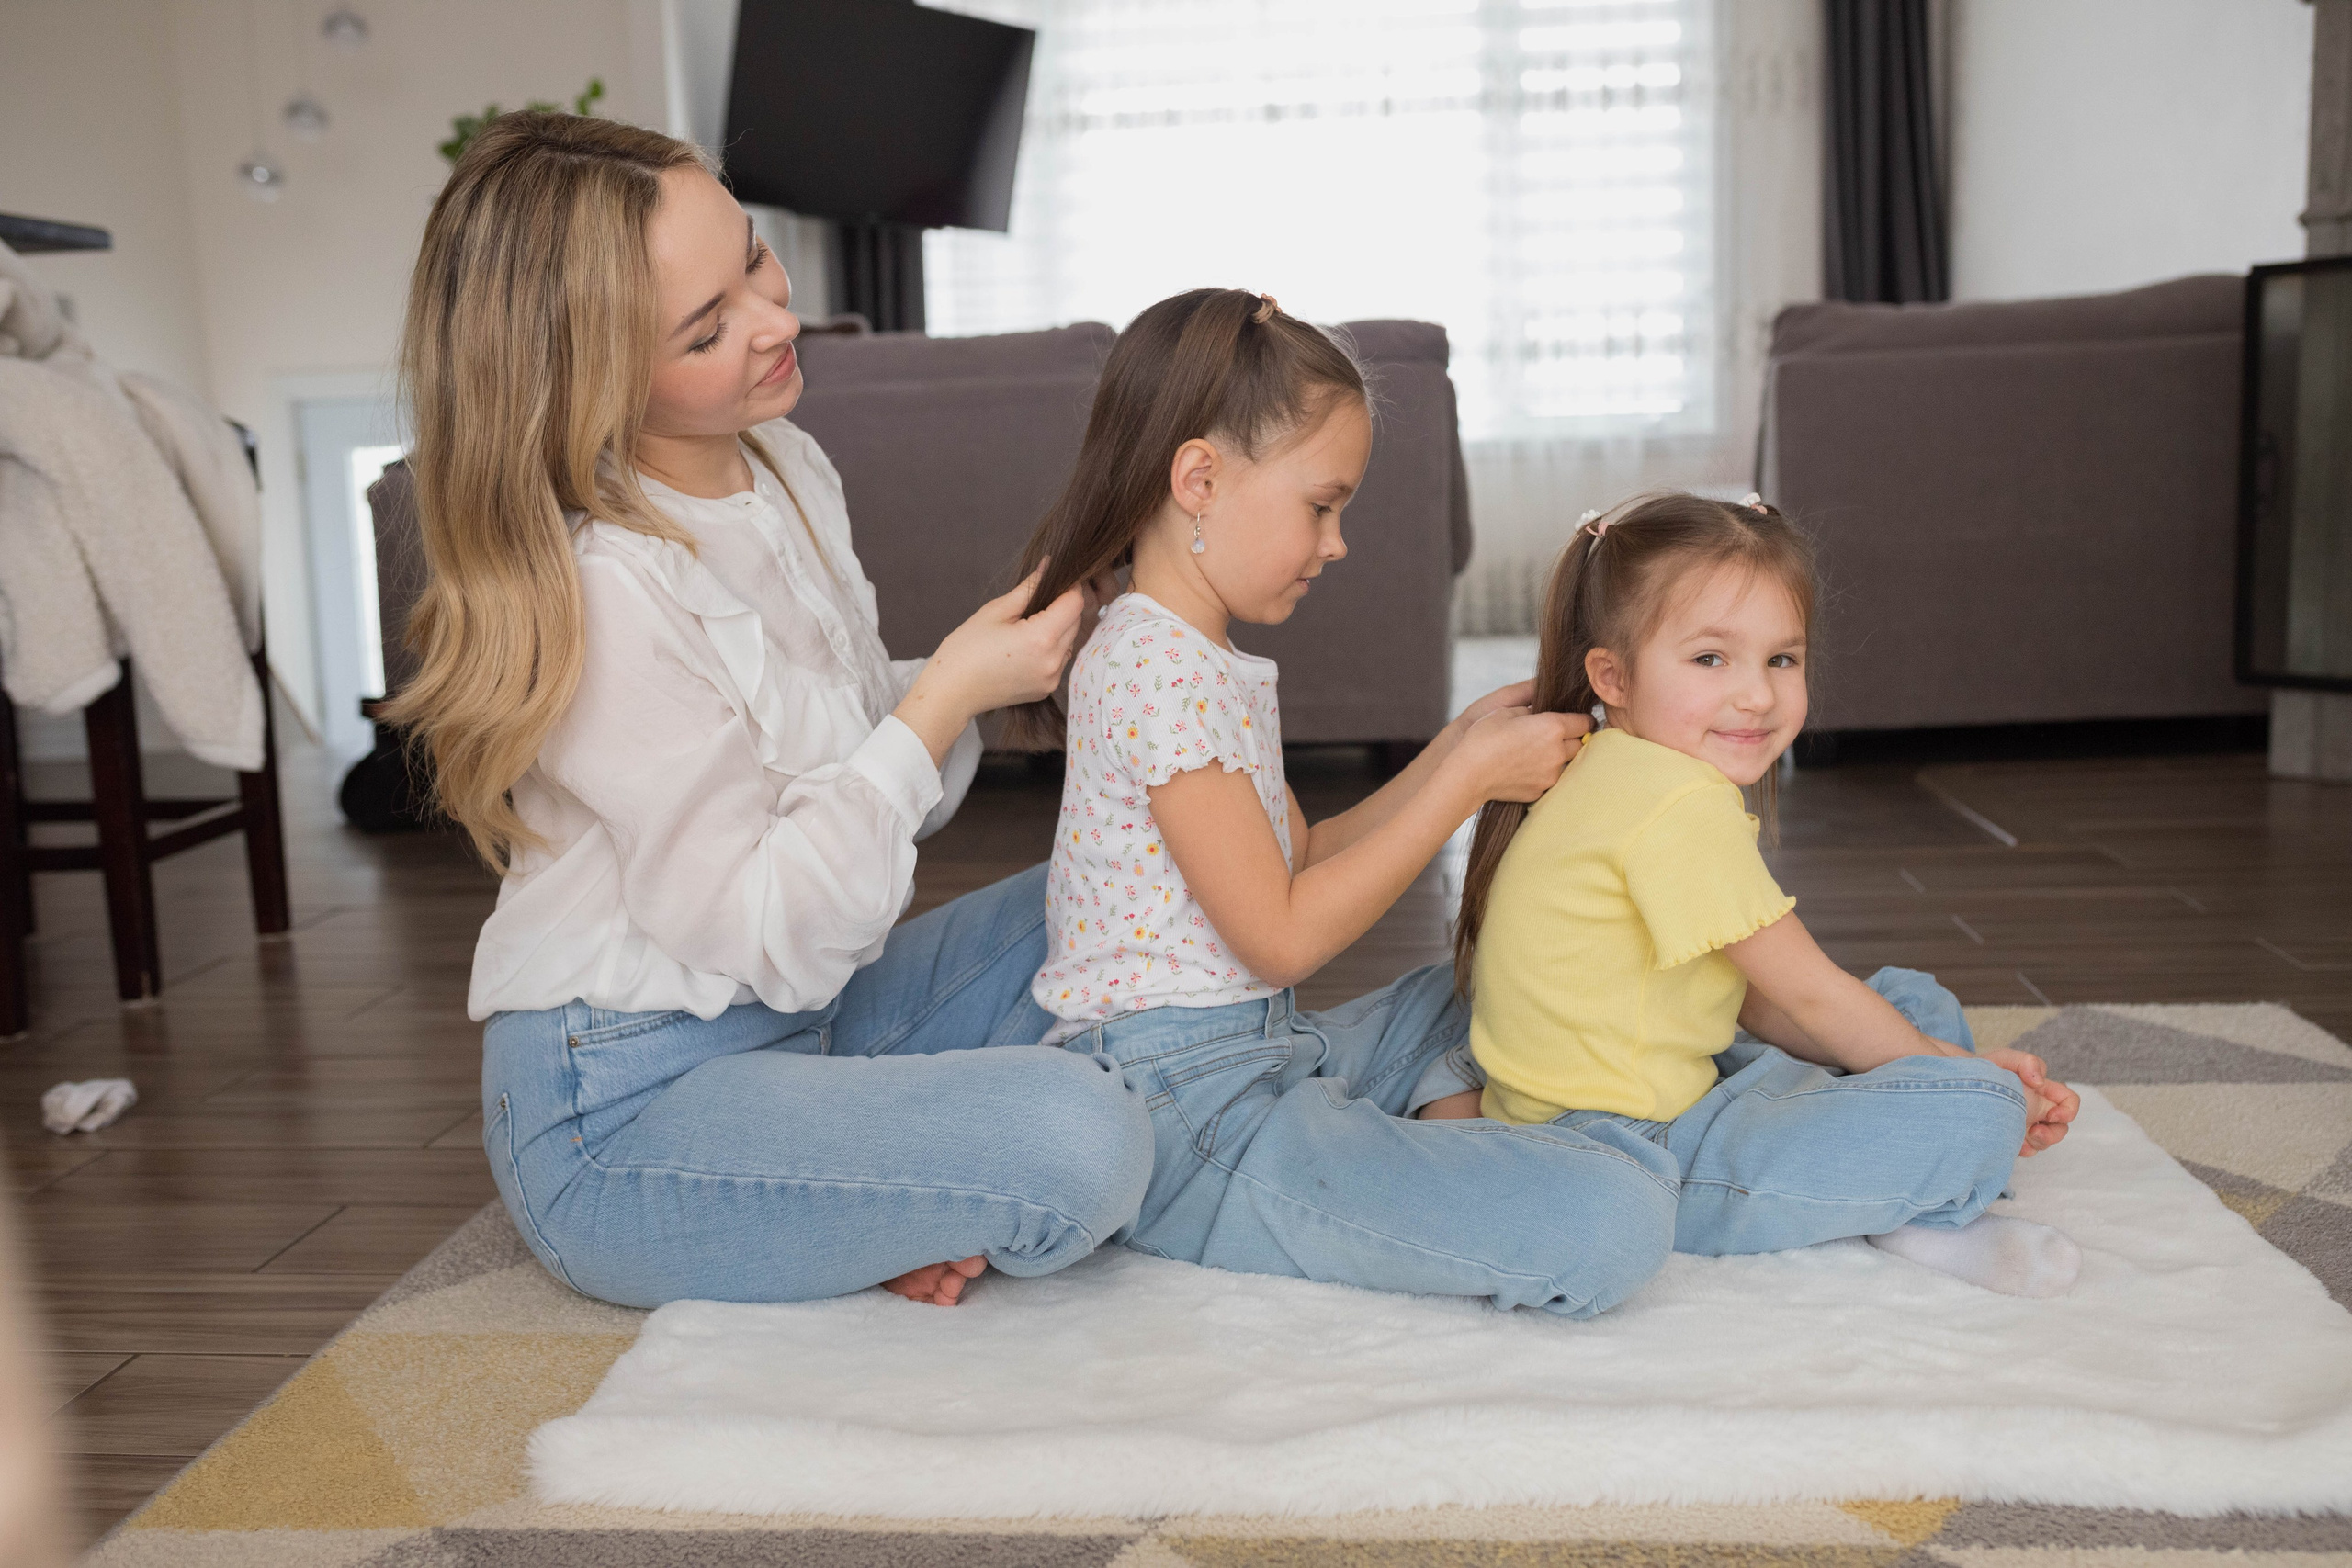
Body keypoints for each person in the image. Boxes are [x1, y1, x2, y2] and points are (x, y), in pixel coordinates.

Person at [388, 112, 1152, 1310]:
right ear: (592, 379)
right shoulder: (605, 590)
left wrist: (988, 670)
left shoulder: (786, 462)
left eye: (752, 257)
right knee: (1080, 1141)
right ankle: (846, 1197)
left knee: (1118, 889)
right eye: (708, 328)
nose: (776, 318)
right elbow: (768, 917)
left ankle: (851, 1191)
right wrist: (949, 690)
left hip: (811, 1014)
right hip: (625, 1108)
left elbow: (844, 763)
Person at [1012, 289, 1686, 1318]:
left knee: (1462, 995)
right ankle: (1469, 1172)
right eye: (1320, 506)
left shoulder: (1197, 656)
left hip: (1253, 1055)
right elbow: (1280, 936)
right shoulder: (1150, 668)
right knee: (1607, 1225)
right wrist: (1461, 784)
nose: (1335, 543)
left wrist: (1455, 749)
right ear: (1200, 480)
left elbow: (1300, 850)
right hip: (1187, 1115)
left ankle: (1433, 1159)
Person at [1431, 491, 2084, 1299]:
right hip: (1627, 1146)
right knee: (1973, 1109)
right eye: (1711, 659)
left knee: (1914, 1002)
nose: (1757, 695)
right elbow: (1807, 999)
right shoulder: (1674, 804)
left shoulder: (1615, 761)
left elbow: (1759, 996)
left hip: (1662, 1085)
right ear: (1615, 675)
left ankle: (1893, 1183)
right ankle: (1918, 1212)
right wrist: (1972, 1077)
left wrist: (1942, 1061)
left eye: (1782, 658)